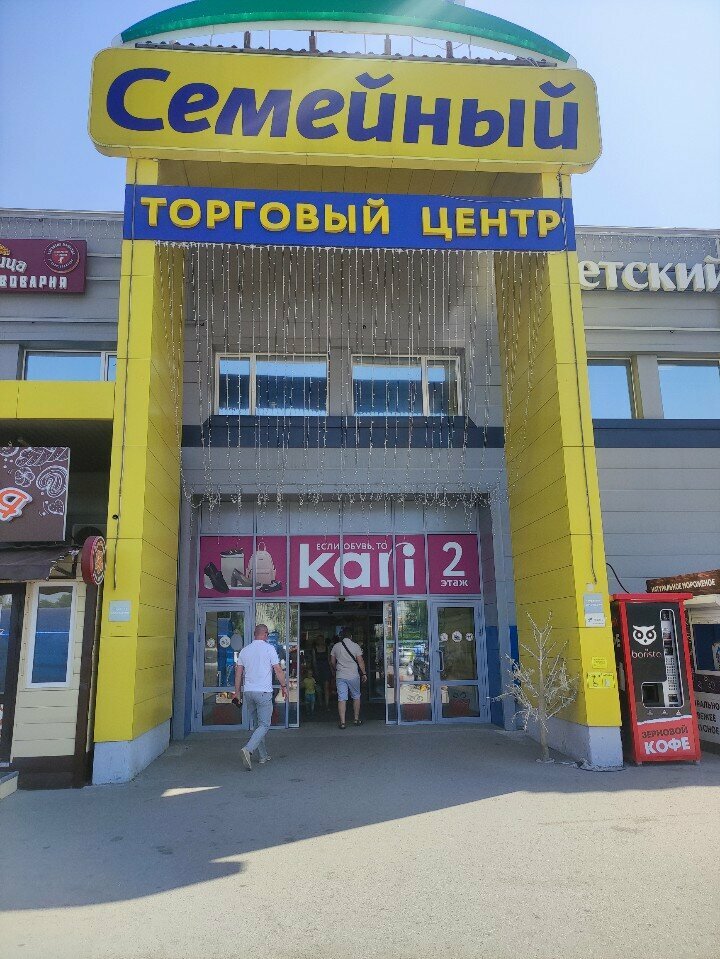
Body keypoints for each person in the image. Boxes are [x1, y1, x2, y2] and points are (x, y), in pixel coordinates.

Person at [233, 623, 288, 770]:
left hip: (249, 692)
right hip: (263, 692)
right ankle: (248, 749)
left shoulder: (244, 651)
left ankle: (263, 756)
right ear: (266, 634)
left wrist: (237, 692)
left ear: (254, 634)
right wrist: (284, 686)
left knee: (258, 726)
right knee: (264, 725)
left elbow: (238, 674)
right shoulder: (269, 649)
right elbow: (278, 670)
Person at [330, 630, 367, 728]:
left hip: (340, 675)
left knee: (341, 698)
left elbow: (332, 661)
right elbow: (360, 661)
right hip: (353, 675)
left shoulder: (336, 646)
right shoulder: (355, 646)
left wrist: (336, 670)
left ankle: (342, 722)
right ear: (351, 636)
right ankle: (356, 719)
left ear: (341, 637)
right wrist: (364, 673)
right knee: (356, 696)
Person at [313, 637, 333, 708]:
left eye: (321, 639)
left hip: (326, 668)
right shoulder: (314, 649)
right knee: (319, 688)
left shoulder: (327, 648)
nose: (320, 641)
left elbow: (329, 660)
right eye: (319, 639)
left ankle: (326, 705)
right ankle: (320, 703)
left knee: (326, 687)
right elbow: (314, 661)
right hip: (318, 669)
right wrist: (315, 670)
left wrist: (332, 670)